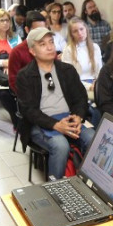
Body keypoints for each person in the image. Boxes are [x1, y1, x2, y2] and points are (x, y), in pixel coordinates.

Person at [15, 27, 95, 180]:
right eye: (43, 44)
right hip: (41, 122)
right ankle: (55, 188)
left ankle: (89, 183)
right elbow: (28, 110)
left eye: (51, 42)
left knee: (92, 138)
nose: (50, 47)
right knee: (60, 145)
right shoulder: (25, 75)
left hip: (68, 117)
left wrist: (78, 117)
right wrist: (55, 125)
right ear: (32, 51)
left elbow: (80, 98)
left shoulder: (67, 70)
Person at [8, 10, 47, 93]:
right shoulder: (17, 52)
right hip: (28, 95)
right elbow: (13, 81)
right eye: (36, 30)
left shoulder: (49, 48)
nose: (40, 34)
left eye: (43, 30)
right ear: (27, 30)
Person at [64, 17, 103, 89]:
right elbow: (69, 76)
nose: (79, 33)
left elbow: (100, 71)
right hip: (78, 86)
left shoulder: (95, 47)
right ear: (71, 34)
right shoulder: (68, 50)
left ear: (86, 29)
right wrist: (89, 87)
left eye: (81, 29)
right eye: (75, 31)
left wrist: (97, 84)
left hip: (95, 84)